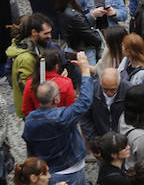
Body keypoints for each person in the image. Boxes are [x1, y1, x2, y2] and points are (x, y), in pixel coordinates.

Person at [22, 51, 92, 185]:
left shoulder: (30, 120)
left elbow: (26, 111)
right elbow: (84, 102)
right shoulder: (63, 117)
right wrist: (85, 71)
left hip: (46, 169)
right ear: (56, 99)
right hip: (70, 168)